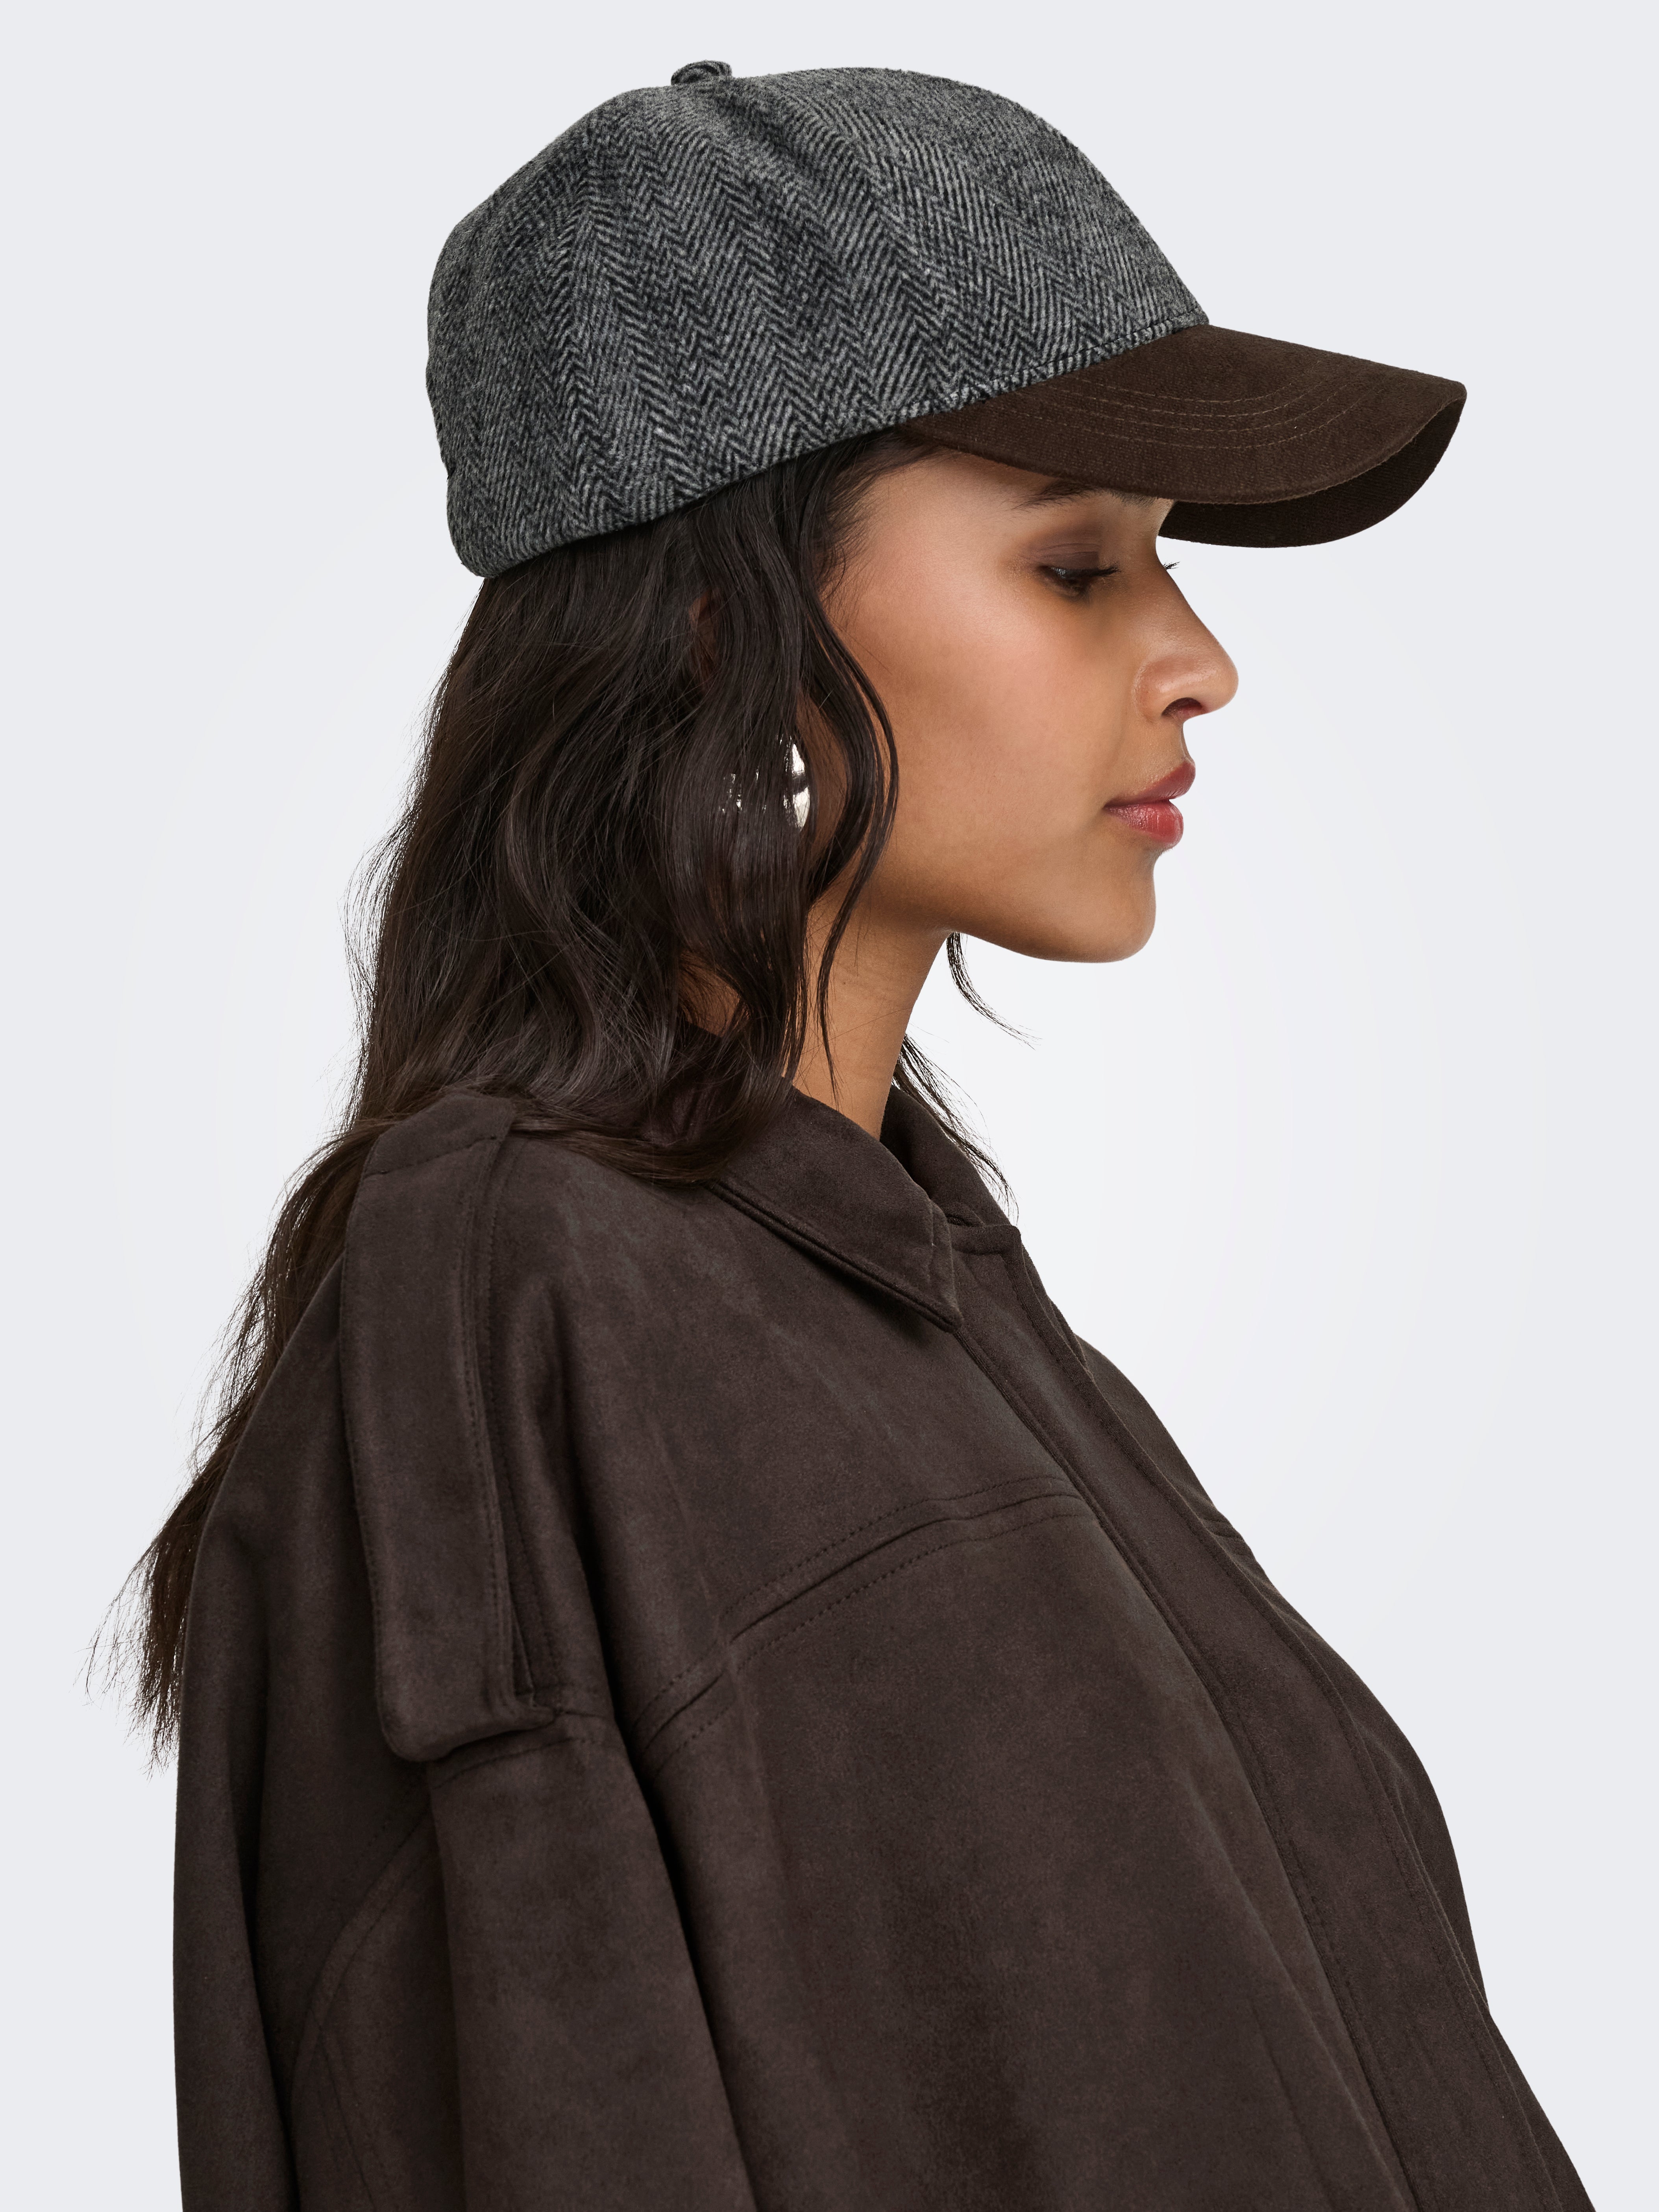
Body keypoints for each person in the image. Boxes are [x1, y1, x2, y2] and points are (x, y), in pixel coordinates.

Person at [137, 60, 1592, 2212]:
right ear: (723, 626)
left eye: (1163, 562)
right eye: (1077, 565)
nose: (1199, 661)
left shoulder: (924, 1290)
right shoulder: (526, 1299)